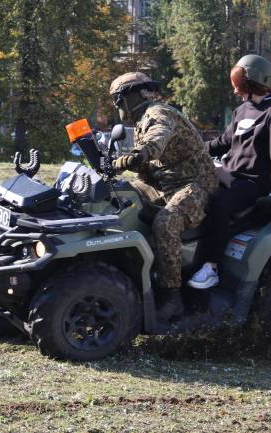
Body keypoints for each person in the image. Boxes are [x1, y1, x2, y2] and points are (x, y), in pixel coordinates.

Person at [109, 72, 217, 321]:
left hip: (194, 185)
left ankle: (172, 297)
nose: (117, 106)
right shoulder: (141, 119)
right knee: (123, 197)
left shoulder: (158, 113)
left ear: (134, 95)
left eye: (119, 99)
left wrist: (134, 157)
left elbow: (154, 144)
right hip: (163, 184)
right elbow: (149, 167)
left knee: (166, 222)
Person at [187, 55, 271, 289]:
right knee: (192, 185)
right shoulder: (242, 110)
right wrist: (193, 150)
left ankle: (211, 267)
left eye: (238, 85)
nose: (235, 91)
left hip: (255, 182)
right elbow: (224, 142)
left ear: (252, 84)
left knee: (219, 203)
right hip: (231, 173)